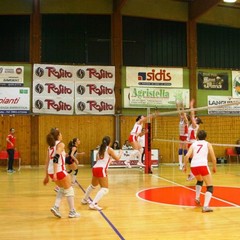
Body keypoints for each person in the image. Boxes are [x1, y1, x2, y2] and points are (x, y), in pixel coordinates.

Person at [43, 128, 80, 218]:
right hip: (59, 170)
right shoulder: (60, 144)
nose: (62, 135)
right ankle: (72, 212)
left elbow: (47, 162)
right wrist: (56, 173)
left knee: (62, 189)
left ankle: (56, 206)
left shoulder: (50, 147)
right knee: (69, 190)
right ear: (58, 136)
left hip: (51, 171)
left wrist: (47, 176)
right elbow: (56, 158)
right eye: (61, 134)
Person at [81, 136, 122, 210]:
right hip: (101, 169)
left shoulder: (100, 149)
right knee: (105, 189)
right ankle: (94, 204)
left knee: (93, 186)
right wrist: (121, 152)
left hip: (95, 167)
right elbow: (118, 158)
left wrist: (108, 161)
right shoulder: (110, 149)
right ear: (110, 142)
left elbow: (98, 159)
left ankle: (84, 199)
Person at [183, 130, 217, 213]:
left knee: (200, 180)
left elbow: (187, 156)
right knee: (210, 186)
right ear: (206, 137)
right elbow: (213, 158)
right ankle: (205, 207)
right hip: (202, 165)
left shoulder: (193, 144)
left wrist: (184, 166)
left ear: (197, 137)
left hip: (193, 166)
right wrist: (214, 167)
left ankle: (197, 197)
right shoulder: (208, 144)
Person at [186, 100, 203, 180]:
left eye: (195, 119)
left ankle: (194, 173)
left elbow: (192, 115)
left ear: (197, 121)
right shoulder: (191, 125)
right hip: (189, 142)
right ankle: (194, 173)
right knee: (190, 159)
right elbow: (189, 117)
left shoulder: (195, 125)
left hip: (192, 143)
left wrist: (191, 106)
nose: (194, 119)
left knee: (192, 159)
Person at [176, 102, 188, 170]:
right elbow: (178, 112)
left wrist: (183, 107)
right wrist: (177, 105)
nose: (182, 115)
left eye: (183, 115)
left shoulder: (186, 120)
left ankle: (184, 163)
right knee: (180, 149)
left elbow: (183, 113)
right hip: (181, 135)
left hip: (185, 135)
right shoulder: (180, 120)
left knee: (185, 149)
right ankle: (180, 163)